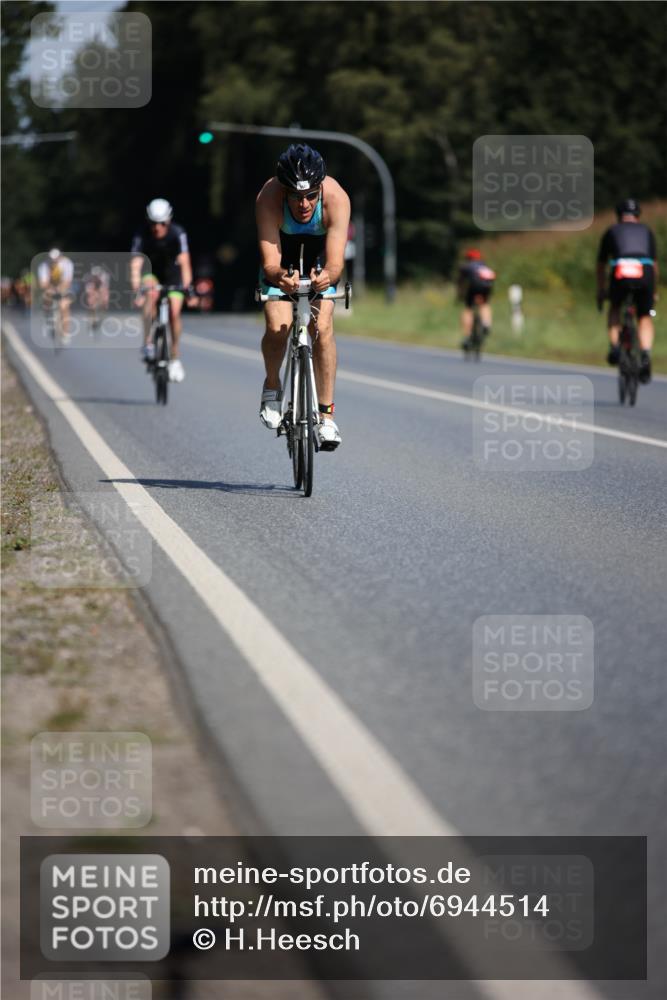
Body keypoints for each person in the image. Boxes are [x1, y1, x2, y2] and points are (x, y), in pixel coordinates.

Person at [255, 143, 351, 450]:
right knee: (277, 327)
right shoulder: (268, 197)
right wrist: (281, 277)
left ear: (320, 188)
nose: (304, 204)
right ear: (284, 191)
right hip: (281, 261)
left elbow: (335, 264)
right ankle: (272, 385)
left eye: (311, 195)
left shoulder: (337, 198)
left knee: (322, 329)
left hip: (319, 260)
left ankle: (326, 416)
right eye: (296, 196)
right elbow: (270, 263)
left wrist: (327, 278)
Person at [130, 198, 196, 383]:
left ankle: (174, 356)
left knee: (174, 313)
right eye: (153, 223)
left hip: (173, 275)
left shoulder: (177, 233)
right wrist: (136, 287)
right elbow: (136, 263)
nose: (157, 227)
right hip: (151, 272)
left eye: (162, 223)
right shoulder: (141, 234)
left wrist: (188, 288)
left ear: (169, 221)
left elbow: (185, 262)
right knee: (150, 295)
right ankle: (148, 343)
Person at [597, 198, 658, 383]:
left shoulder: (612, 231)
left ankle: (615, 347)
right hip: (645, 271)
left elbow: (601, 264)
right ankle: (645, 354)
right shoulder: (646, 231)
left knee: (615, 307)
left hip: (621, 271)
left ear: (618, 216)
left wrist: (601, 290)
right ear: (637, 216)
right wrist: (654, 291)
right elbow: (654, 264)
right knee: (644, 316)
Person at [457, 248, 496, 352]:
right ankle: (486, 323)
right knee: (484, 304)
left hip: (474, 287)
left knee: (468, 309)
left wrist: (459, 295)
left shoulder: (467, 266)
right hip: (487, 287)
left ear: (468, 258)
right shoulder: (484, 266)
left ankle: (467, 336)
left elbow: (461, 282)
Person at [37, 248, 74, 338]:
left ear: (60, 257)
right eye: (52, 259)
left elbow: (67, 281)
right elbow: (43, 283)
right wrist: (50, 289)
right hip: (50, 286)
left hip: (64, 286)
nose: (54, 261)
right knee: (46, 297)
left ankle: (65, 332)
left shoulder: (67, 263)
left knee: (64, 306)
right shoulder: (43, 265)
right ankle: (49, 318)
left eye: (56, 259)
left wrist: (60, 289)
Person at [83, 264, 110, 331]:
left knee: (104, 299)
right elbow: (88, 290)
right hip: (93, 287)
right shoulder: (88, 277)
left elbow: (104, 288)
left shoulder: (104, 276)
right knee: (91, 301)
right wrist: (92, 297)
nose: (96, 277)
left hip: (101, 286)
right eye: (94, 276)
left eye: (97, 276)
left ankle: (102, 311)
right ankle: (92, 316)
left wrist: (102, 298)